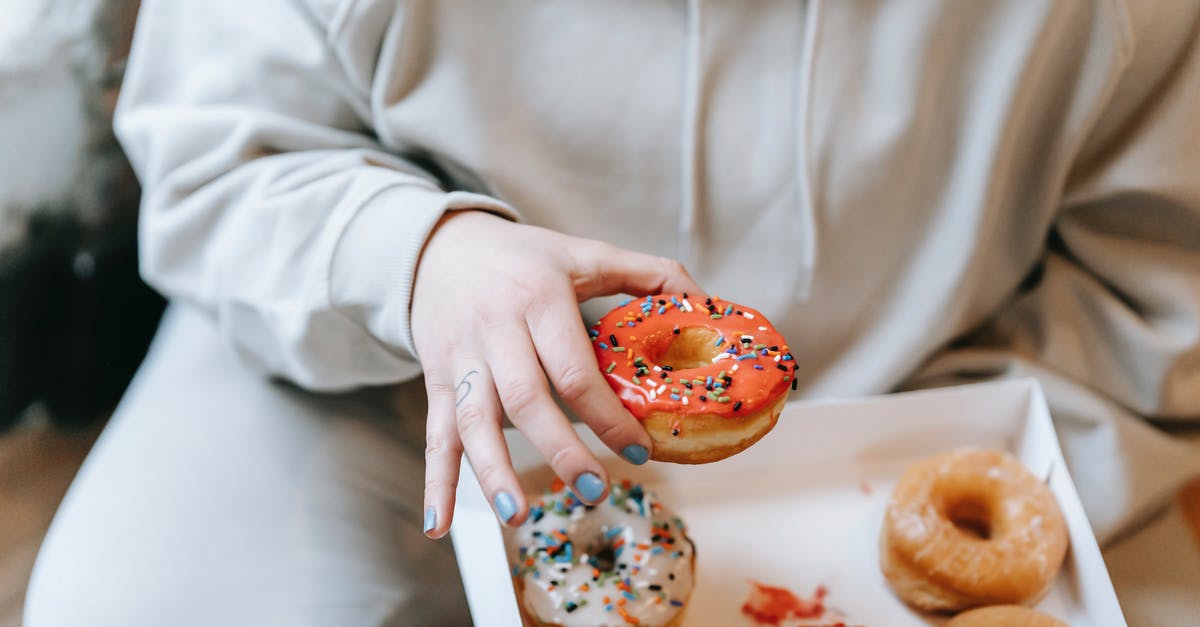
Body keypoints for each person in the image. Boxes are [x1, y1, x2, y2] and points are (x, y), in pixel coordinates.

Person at [24, 1, 1200, 625]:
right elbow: (223, 158)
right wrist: (420, 253)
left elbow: (1156, 286)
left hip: (921, 405)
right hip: (372, 383)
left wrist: (888, 477)